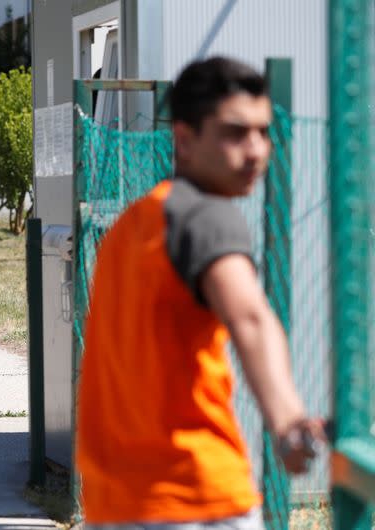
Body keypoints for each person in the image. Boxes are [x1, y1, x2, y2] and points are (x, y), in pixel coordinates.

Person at [75, 57, 325, 529]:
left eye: (263, 132)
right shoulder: (205, 215)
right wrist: (289, 422)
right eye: (235, 133)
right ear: (185, 139)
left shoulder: (130, 227)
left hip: (116, 501)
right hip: (195, 498)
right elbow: (249, 316)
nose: (256, 151)